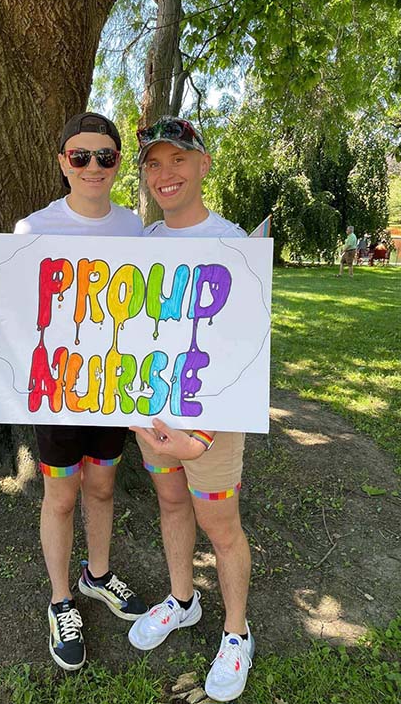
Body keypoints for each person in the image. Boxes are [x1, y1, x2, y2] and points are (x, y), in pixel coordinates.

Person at [0, 113, 146, 672]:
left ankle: (95, 577)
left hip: (111, 389)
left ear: (117, 164)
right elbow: (16, 312)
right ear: (62, 163)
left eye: (105, 156)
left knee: (102, 487)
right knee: (62, 496)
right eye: (81, 156)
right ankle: (60, 600)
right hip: (55, 391)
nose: (93, 166)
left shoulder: (135, 229)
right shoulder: (33, 229)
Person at [127, 116, 254, 702]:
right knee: (170, 503)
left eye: (178, 158)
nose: (165, 173)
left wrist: (200, 437)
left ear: (203, 164)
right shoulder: (143, 244)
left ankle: (236, 633)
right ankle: (183, 600)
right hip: (153, 415)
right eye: (153, 162)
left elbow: (243, 353)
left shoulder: (236, 244)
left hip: (211, 426)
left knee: (220, 526)